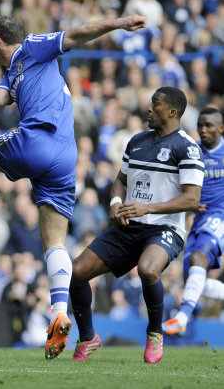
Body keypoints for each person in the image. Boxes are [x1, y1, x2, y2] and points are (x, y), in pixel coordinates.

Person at [0, 13, 147, 360]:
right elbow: (0, 99)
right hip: (66, 157)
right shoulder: (14, 72)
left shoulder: (35, 46)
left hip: (39, 139)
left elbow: (77, 32)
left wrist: (118, 22)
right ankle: (58, 313)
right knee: (53, 240)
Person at [69, 87, 204, 364]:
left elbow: (192, 199)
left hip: (164, 228)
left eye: (155, 104)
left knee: (148, 268)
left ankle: (154, 333)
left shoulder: (186, 147)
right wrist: (116, 202)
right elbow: (121, 179)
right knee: (77, 272)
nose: (149, 109)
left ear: (172, 111)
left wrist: (148, 207)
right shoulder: (137, 141)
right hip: (129, 224)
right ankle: (88, 337)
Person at [163, 107, 224, 337]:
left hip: (220, 215)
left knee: (199, 258)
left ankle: (181, 317)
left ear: (221, 127)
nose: (203, 130)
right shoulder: (193, 153)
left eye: (209, 125)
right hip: (197, 219)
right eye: (200, 125)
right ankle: (184, 314)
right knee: (194, 282)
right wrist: (189, 202)